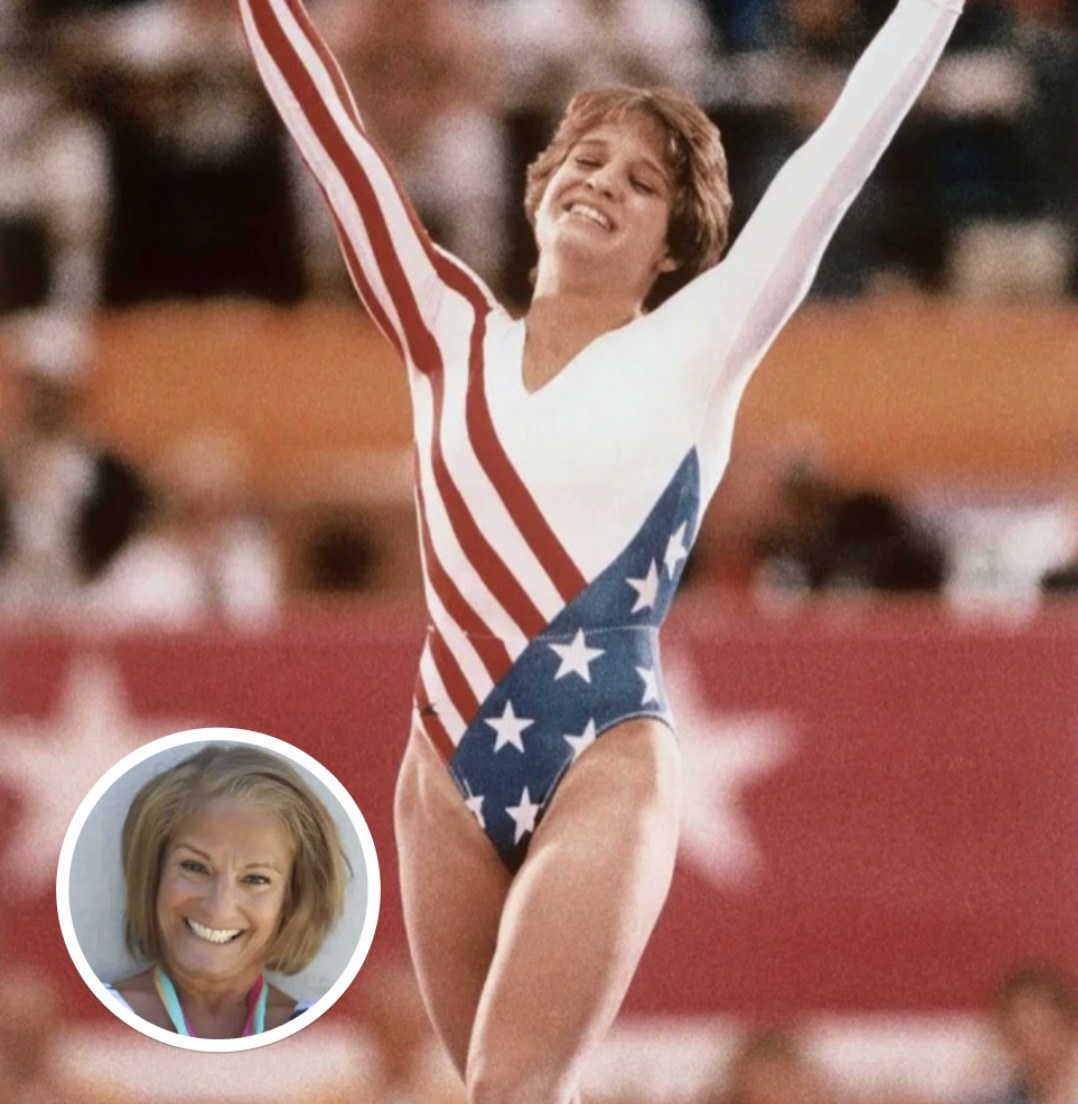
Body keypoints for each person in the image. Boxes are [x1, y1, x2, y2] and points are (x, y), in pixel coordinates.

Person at [237, 0, 965, 1096]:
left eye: (641, 182)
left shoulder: (703, 339)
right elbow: (328, 133)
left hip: (602, 755)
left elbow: (847, 139)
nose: (602, 184)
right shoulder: (444, 329)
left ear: (673, 243)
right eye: (586, 160)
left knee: (513, 1087)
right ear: (538, 188)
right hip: (441, 766)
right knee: (503, 1088)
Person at [108, 743, 348, 1039]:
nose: (219, 907)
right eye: (195, 867)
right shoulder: (90, 1023)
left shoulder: (325, 1037)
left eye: (255, 879)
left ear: (292, 900)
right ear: (154, 872)